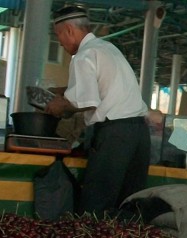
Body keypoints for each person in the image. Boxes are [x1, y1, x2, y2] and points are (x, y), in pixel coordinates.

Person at [45, 5, 150, 216]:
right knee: (128, 205)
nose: (61, 43)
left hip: (115, 135)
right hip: (139, 133)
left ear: (69, 30)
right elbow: (100, 88)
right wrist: (62, 90)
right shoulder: (107, 48)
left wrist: (59, 106)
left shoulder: (84, 56)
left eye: (59, 36)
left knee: (96, 204)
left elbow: (87, 100)